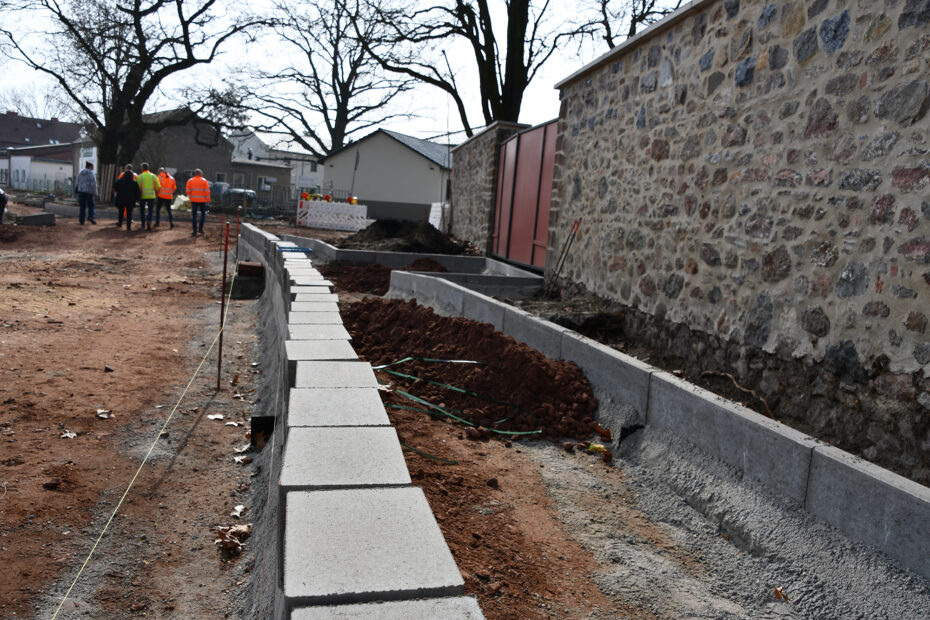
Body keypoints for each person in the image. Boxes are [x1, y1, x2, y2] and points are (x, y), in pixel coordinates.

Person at [112, 164, 141, 231]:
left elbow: (115, 188)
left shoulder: (119, 181)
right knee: (129, 213)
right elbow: (137, 192)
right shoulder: (134, 183)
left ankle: (120, 223)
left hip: (120, 199)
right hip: (130, 200)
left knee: (121, 212)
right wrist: (137, 199)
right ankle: (128, 226)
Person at [185, 168, 210, 236]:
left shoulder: (190, 180)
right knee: (203, 215)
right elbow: (207, 192)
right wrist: (208, 201)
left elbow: (187, 191)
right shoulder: (204, 180)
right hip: (202, 201)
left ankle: (194, 231)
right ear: (200, 174)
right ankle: (200, 229)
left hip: (194, 201)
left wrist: (191, 197)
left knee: (194, 216)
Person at [136, 162, 161, 231]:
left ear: (143, 168)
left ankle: (143, 224)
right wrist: (156, 192)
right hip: (151, 196)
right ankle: (149, 221)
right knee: (150, 210)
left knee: (142, 210)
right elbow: (158, 186)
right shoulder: (154, 176)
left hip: (142, 196)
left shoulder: (140, 177)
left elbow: (137, 187)